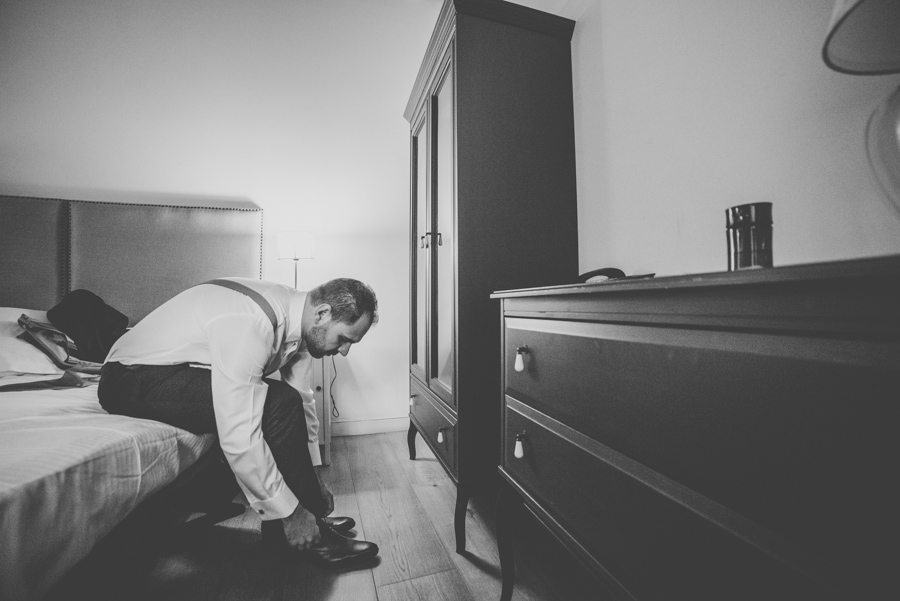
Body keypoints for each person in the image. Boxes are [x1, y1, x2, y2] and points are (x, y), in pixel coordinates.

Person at [98, 277, 379, 569]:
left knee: (286, 401)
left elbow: (302, 400)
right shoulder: (251, 321)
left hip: (170, 369)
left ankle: (306, 523)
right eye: (344, 339)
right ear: (322, 313)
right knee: (276, 404)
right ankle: (304, 533)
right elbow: (239, 432)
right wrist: (291, 513)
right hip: (129, 378)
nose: (344, 351)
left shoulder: (303, 324)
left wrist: (315, 477)